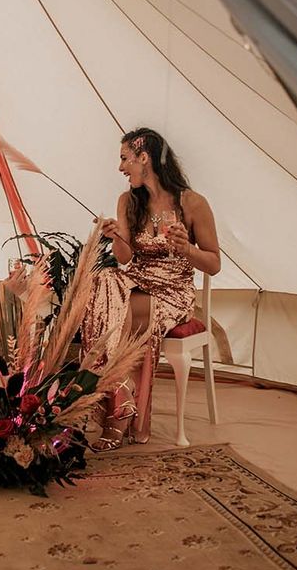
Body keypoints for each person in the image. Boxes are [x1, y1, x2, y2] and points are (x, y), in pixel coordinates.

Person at [82, 127, 221, 451]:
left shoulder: (192, 203)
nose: (120, 168)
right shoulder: (128, 201)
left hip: (173, 290)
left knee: (118, 307)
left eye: (124, 158)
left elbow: (213, 263)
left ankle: (117, 407)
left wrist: (187, 249)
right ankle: (121, 392)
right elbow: (125, 259)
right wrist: (116, 235)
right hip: (137, 281)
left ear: (144, 158)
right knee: (103, 280)